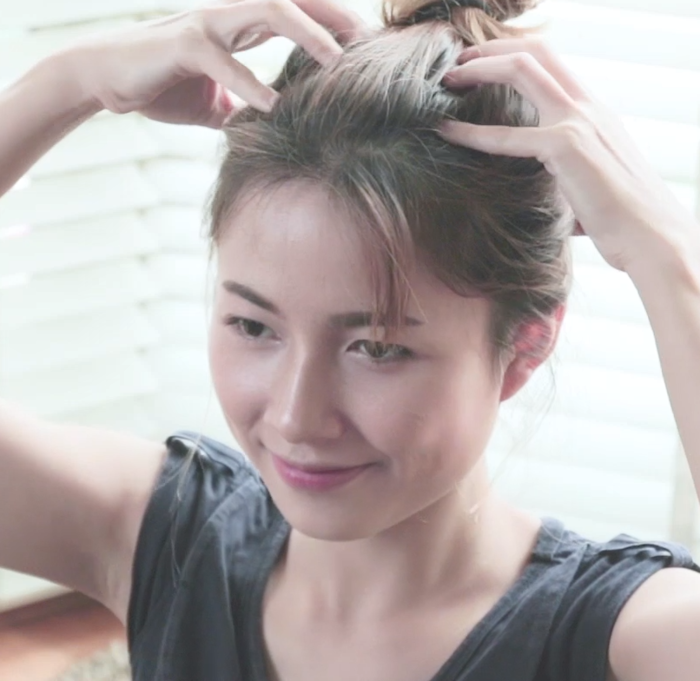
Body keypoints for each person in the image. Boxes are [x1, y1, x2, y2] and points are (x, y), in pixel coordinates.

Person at [1, 0, 699, 679]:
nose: (295, 418)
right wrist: (71, 80)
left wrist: (669, 260)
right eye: (253, 326)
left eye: (378, 347)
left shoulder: (622, 637)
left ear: (523, 348)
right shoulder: (166, 539)